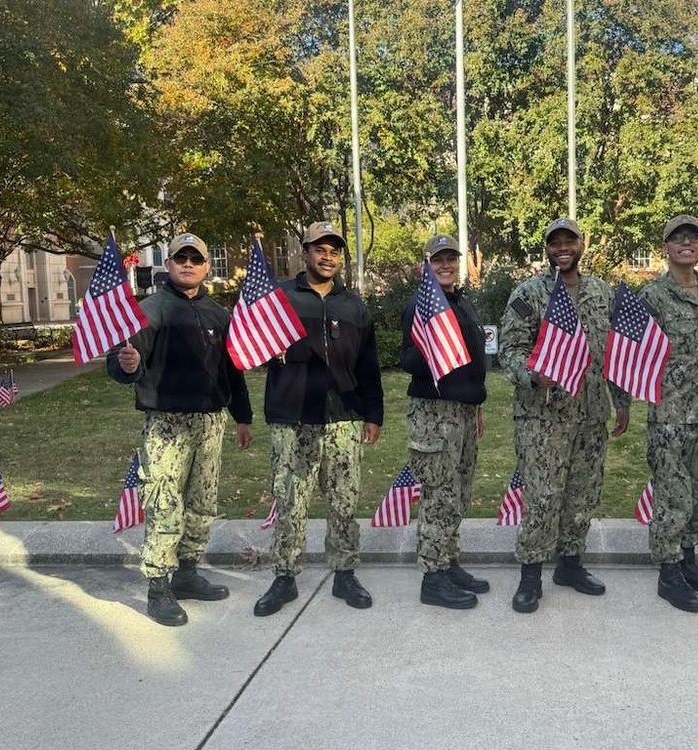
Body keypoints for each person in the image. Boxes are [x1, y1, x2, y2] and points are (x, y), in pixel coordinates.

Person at [107, 231, 253, 627]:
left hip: (210, 422)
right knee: (164, 503)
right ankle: (159, 586)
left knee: (202, 502)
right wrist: (128, 364)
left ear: (205, 266)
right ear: (168, 265)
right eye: (180, 258)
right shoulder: (149, 310)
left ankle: (188, 571)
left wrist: (243, 416)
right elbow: (121, 361)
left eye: (195, 258)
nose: (188, 264)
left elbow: (233, 372)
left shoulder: (220, 315)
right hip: (167, 423)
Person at [499, 217, 630, 614]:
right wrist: (531, 375)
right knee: (542, 496)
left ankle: (570, 565)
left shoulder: (600, 292)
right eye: (554, 242)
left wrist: (620, 400)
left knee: (582, 493)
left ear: (581, 244)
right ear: (546, 249)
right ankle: (531, 575)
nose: (562, 248)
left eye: (569, 241)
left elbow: (614, 352)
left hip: (591, 414)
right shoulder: (529, 293)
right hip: (543, 417)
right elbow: (510, 350)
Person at [253, 220, 384, 616]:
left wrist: (373, 413)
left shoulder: (353, 306)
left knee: (344, 501)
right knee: (291, 500)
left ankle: (345, 572)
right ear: (304, 252)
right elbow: (251, 345)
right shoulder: (279, 299)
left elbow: (369, 366)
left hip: (343, 418)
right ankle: (285, 576)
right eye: (320, 249)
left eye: (334, 250)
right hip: (292, 417)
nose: (328, 257)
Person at [639, 215, 698, 613]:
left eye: (693, 237)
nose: (686, 243)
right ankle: (669, 571)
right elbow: (636, 356)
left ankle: (689, 560)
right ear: (665, 248)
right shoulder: (653, 296)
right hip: (671, 414)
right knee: (673, 495)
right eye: (677, 238)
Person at [399, 234, 489, 610]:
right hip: (434, 414)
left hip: (464, 413)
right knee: (439, 494)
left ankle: (449, 562)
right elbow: (408, 359)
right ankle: (432, 578)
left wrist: (477, 405)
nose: (446, 265)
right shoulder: (420, 306)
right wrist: (438, 352)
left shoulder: (462, 303)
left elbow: (475, 360)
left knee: (459, 493)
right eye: (438, 260)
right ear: (427, 264)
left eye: (451, 258)